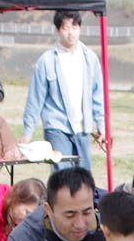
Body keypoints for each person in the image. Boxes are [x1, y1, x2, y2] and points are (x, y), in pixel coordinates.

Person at [22, 10, 104, 167]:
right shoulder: (46, 61)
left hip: (83, 128)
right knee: (63, 177)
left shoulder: (90, 58)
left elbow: (98, 95)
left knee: (83, 179)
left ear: (80, 28)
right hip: (57, 126)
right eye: (66, 28)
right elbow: (35, 98)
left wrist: (102, 125)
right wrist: (27, 133)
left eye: (74, 27)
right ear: (58, 30)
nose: (71, 33)